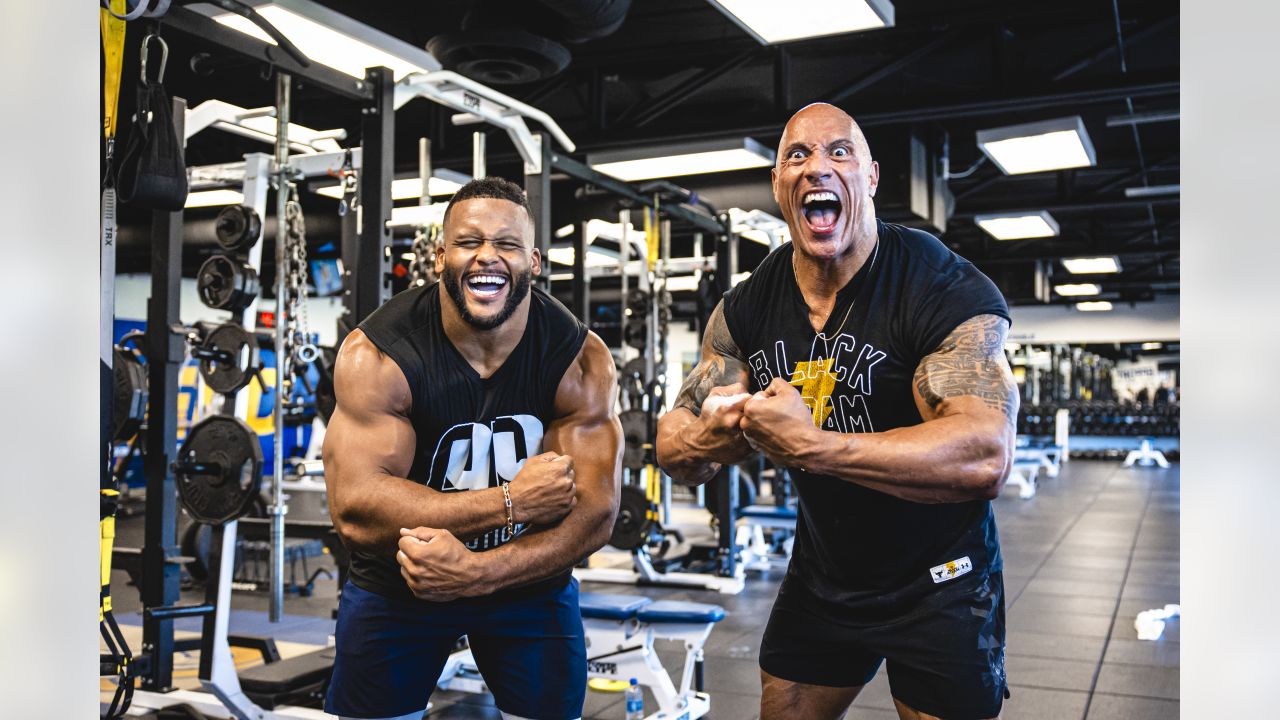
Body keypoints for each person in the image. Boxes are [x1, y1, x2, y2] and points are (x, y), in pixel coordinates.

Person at [656, 103, 1018, 720]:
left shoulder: (936, 284)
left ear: (870, 177)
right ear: (777, 184)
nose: (816, 168)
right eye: (796, 155)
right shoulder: (748, 307)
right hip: (825, 574)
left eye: (839, 152)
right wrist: (716, 438)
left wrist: (812, 445)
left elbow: (986, 454)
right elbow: (672, 444)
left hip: (942, 580)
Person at [322, 177, 623, 720]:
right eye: (468, 242)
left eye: (507, 244)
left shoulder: (577, 359)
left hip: (528, 581)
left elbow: (595, 516)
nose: (488, 256)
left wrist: (482, 572)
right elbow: (356, 508)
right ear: (440, 257)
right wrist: (512, 503)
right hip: (401, 580)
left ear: (533, 259)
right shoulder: (379, 354)